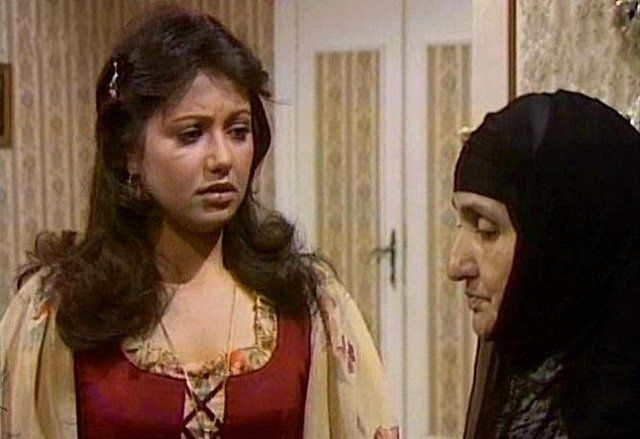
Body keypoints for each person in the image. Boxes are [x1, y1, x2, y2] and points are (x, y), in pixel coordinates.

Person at [0, 7, 398, 439]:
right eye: (192, 134)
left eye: (238, 131)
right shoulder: (58, 307)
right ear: (129, 153)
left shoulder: (307, 302)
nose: (222, 158)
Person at [447, 90, 640, 437]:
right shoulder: (542, 382)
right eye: (459, 224)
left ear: (566, 243)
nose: (456, 265)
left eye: (487, 230)